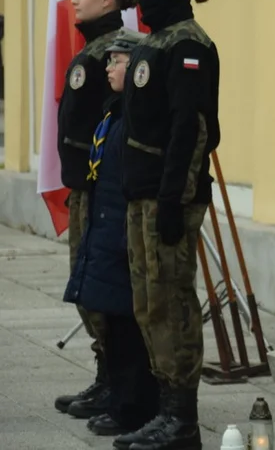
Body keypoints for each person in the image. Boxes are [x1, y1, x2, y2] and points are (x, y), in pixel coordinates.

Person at [114, 0, 220, 450]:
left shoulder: (189, 44)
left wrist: (175, 200)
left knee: (172, 304)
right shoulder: (155, 42)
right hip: (141, 195)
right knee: (147, 304)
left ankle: (183, 421)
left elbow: (191, 128)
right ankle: (164, 410)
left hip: (166, 198)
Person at [63, 27, 160, 438]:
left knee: (127, 328)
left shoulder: (135, 114)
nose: (109, 67)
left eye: (117, 60)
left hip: (121, 233)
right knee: (114, 323)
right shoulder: (114, 111)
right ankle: (116, 398)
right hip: (106, 229)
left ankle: (130, 407)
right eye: (110, 59)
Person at [54, 0, 138, 420]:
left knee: (99, 291)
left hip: (99, 189)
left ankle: (115, 383)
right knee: (89, 289)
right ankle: (108, 377)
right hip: (84, 188)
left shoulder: (115, 51)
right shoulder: (96, 48)